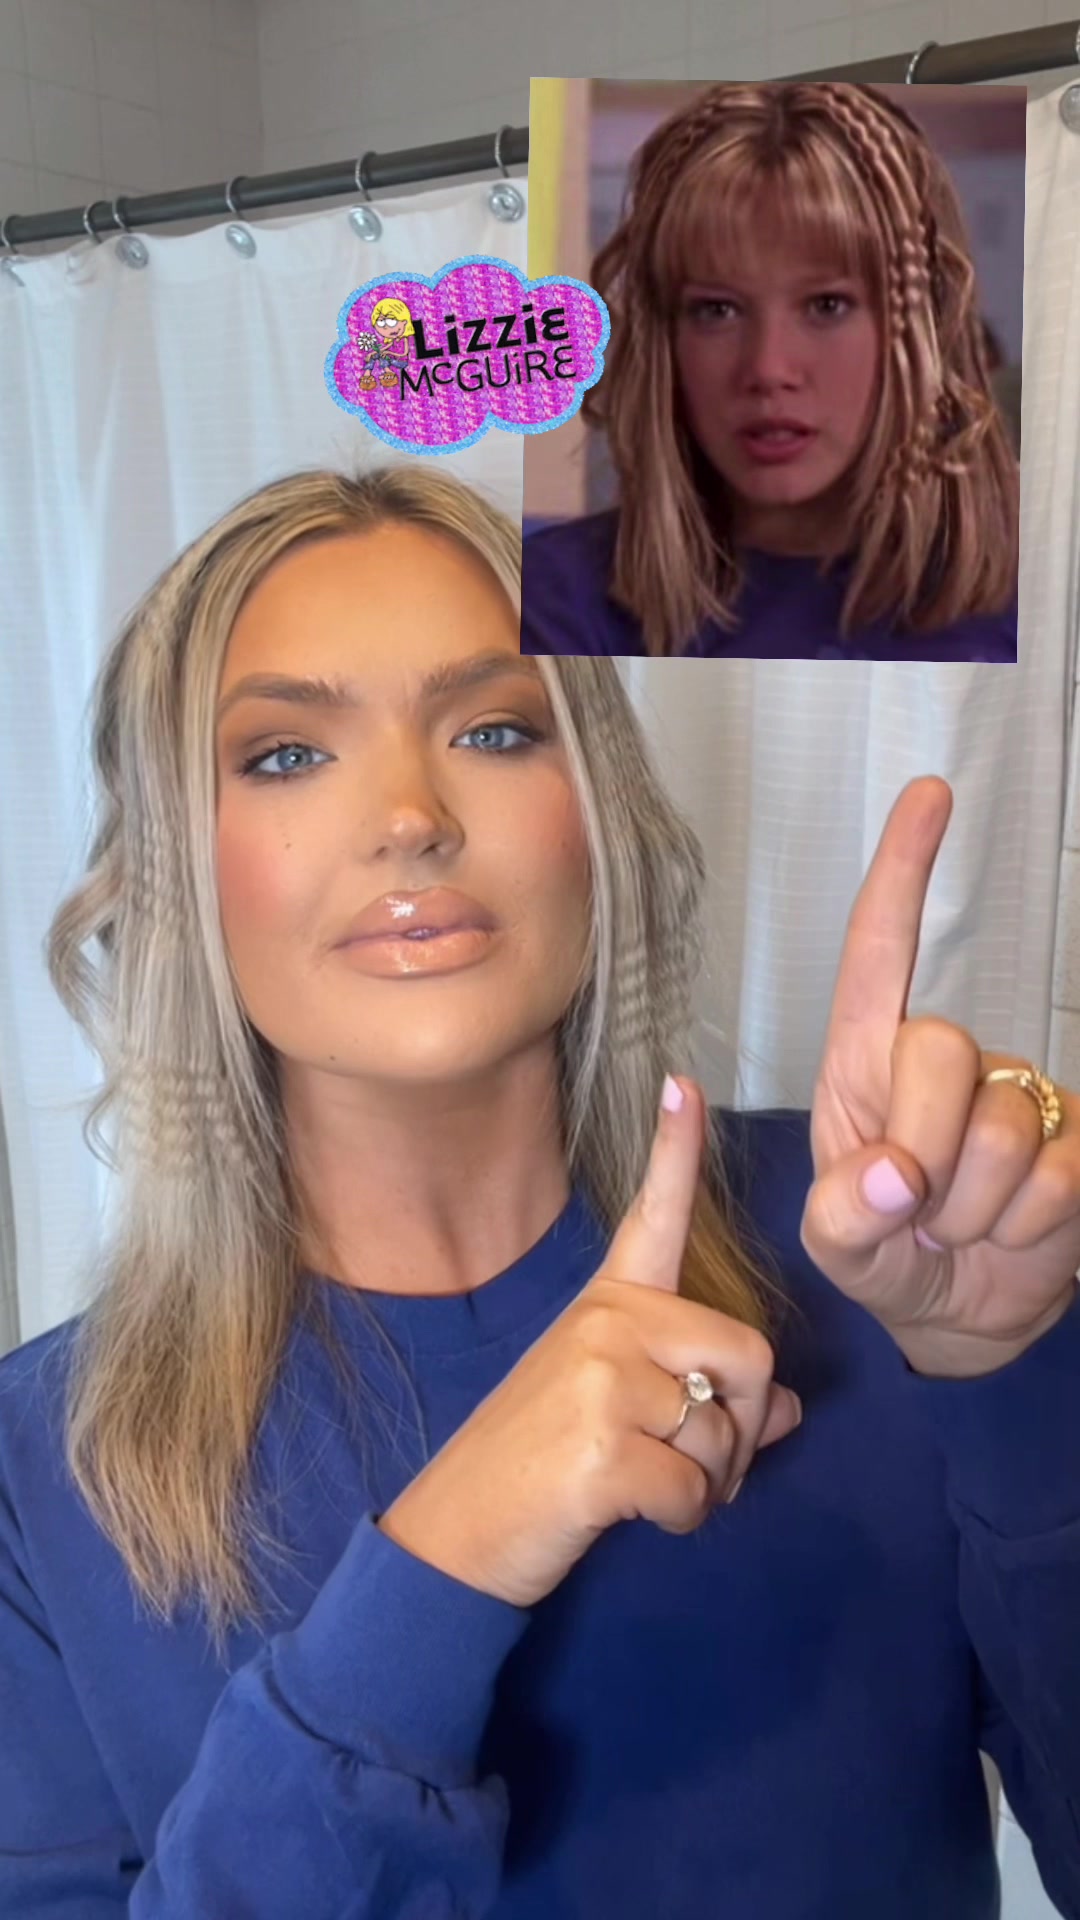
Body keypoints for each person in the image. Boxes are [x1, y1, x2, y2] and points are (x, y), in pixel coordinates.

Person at [0, 464, 1075, 1920]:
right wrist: (444, 1562)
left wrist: (1018, 1376)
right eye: (285, 754)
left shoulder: (881, 1249)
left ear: (598, 814)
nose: (408, 816)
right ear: (174, 873)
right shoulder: (40, 1475)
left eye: (494, 730)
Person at [521, 82, 1020, 662]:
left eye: (827, 306)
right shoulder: (555, 599)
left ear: (918, 328)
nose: (768, 369)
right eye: (717, 311)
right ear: (666, 341)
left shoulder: (1041, 599)